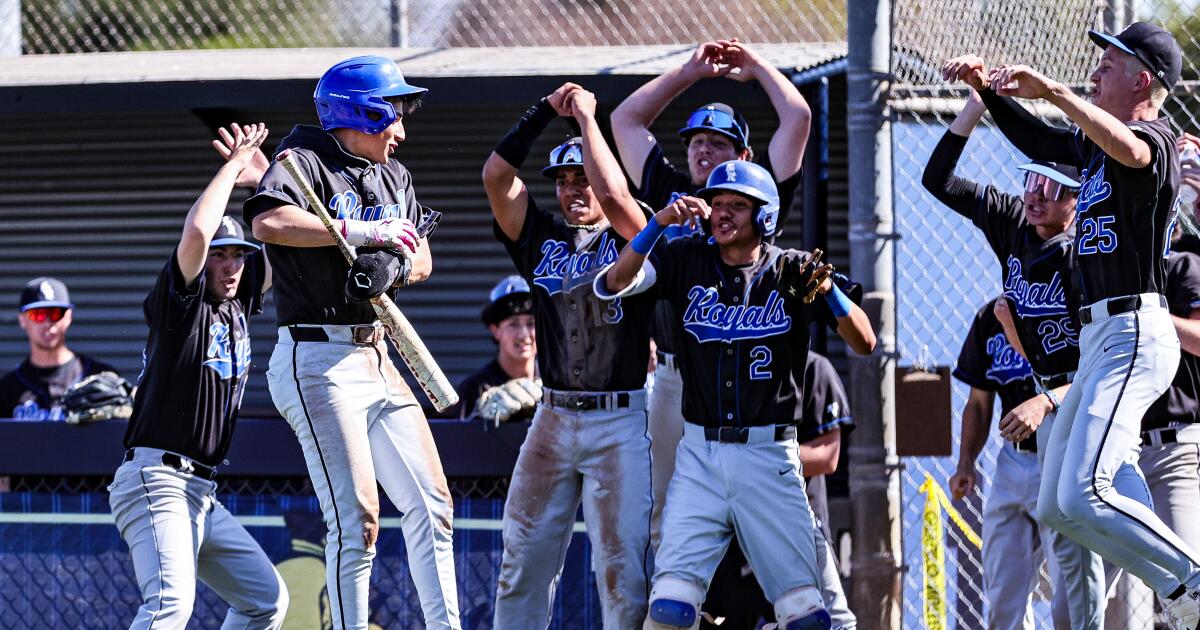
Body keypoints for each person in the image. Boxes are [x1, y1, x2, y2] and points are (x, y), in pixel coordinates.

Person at [943, 21, 1200, 628]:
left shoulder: (1157, 138)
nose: (1095, 71)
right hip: (1099, 338)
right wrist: (991, 92)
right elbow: (1036, 136)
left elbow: (1131, 151)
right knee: (1060, 508)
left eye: (1108, 63)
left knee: (1084, 489)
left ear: (1143, 78)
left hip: (1136, 331)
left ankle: (1187, 579)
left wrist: (1055, 91)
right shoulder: (1092, 147)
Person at [599, 160, 876, 629]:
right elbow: (613, 284)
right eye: (718, 203)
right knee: (670, 608)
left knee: (805, 615)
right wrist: (657, 224)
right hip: (700, 454)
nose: (723, 213)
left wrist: (828, 292)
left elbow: (865, 341)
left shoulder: (791, 269)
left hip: (770, 456)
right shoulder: (686, 258)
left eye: (738, 206)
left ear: (764, 217)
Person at [244, 55, 459, 630]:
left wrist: (395, 265)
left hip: (379, 352)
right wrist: (360, 232)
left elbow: (424, 256)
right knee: (357, 520)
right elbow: (267, 223)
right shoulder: (302, 159)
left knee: (433, 506)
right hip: (316, 357)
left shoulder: (397, 175)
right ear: (361, 112)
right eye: (393, 115)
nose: (402, 130)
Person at [610, 39, 811, 546]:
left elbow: (798, 118)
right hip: (679, 376)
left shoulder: (758, 196)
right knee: (665, 510)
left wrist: (758, 66)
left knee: (754, 522)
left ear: (743, 156)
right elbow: (625, 122)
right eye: (695, 140)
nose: (702, 149)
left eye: (718, 143)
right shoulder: (671, 193)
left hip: (750, 381)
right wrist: (688, 73)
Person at [482, 82, 657, 629]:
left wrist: (588, 123)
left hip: (621, 419)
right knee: (522, 565)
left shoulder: (634, 231)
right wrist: (540, 113)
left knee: (621, 572)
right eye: (561, 180)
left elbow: (618, 202)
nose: (571, 189)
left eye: (580, 176)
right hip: (553, 415)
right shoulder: (541, 238)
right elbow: (495, 178)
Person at [108, 123, 287, 630]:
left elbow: (284, 241)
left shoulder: (240, 303)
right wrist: (232, 169)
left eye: (239, 255)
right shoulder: (181, 306)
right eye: (222, 255)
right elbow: (197, 233)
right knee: (169, 608)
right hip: (156, 478)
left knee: (265, 602)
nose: (231, 265)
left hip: (202, 492)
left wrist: (264, 183)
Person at [700, 351, 857, 630]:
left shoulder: (812, 367)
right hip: (734, 529)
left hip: (794, 526)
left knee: (828, 622)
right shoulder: (729, 366)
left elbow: (826, 456)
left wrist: (755, 462)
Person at [1139, 247, 1200, 609]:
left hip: (1173, 447)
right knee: (1080, 600)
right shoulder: (1103, 266)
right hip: (1114, 451)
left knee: (1189, 581)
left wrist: (1151, 313)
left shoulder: (1181, 265)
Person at [0, 277, 119, 420]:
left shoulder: (101, 378)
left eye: (55, 314)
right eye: (38, 315)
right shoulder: (7, 389)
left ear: (68, 316)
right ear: (22, 320)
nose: (47, 323)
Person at [451, 274, 538, 422]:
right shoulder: (474, 389)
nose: (524, 335)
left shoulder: (555, 384)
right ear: (495, 331)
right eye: (513, 324)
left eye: (531, 323)